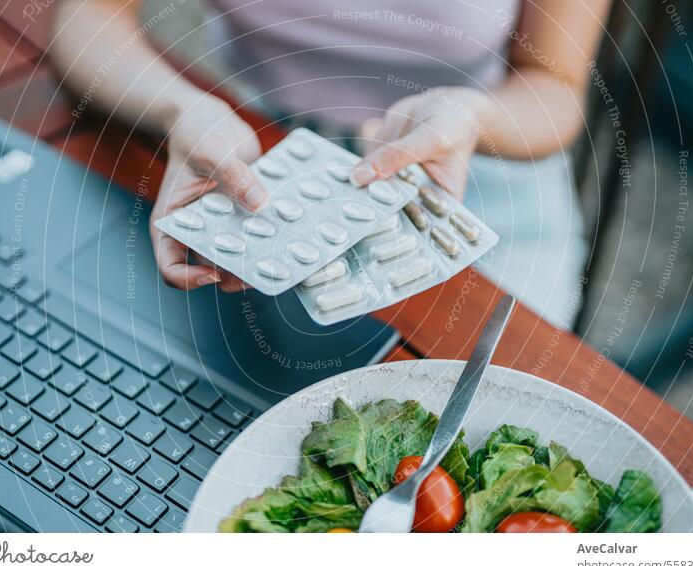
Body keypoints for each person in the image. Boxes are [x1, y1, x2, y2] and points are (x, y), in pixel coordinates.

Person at [50, 0, 611, 327]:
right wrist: (181, 110)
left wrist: (467, 114)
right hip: (261, 147)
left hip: (474, 162)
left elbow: (554, 88)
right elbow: (88, 14)